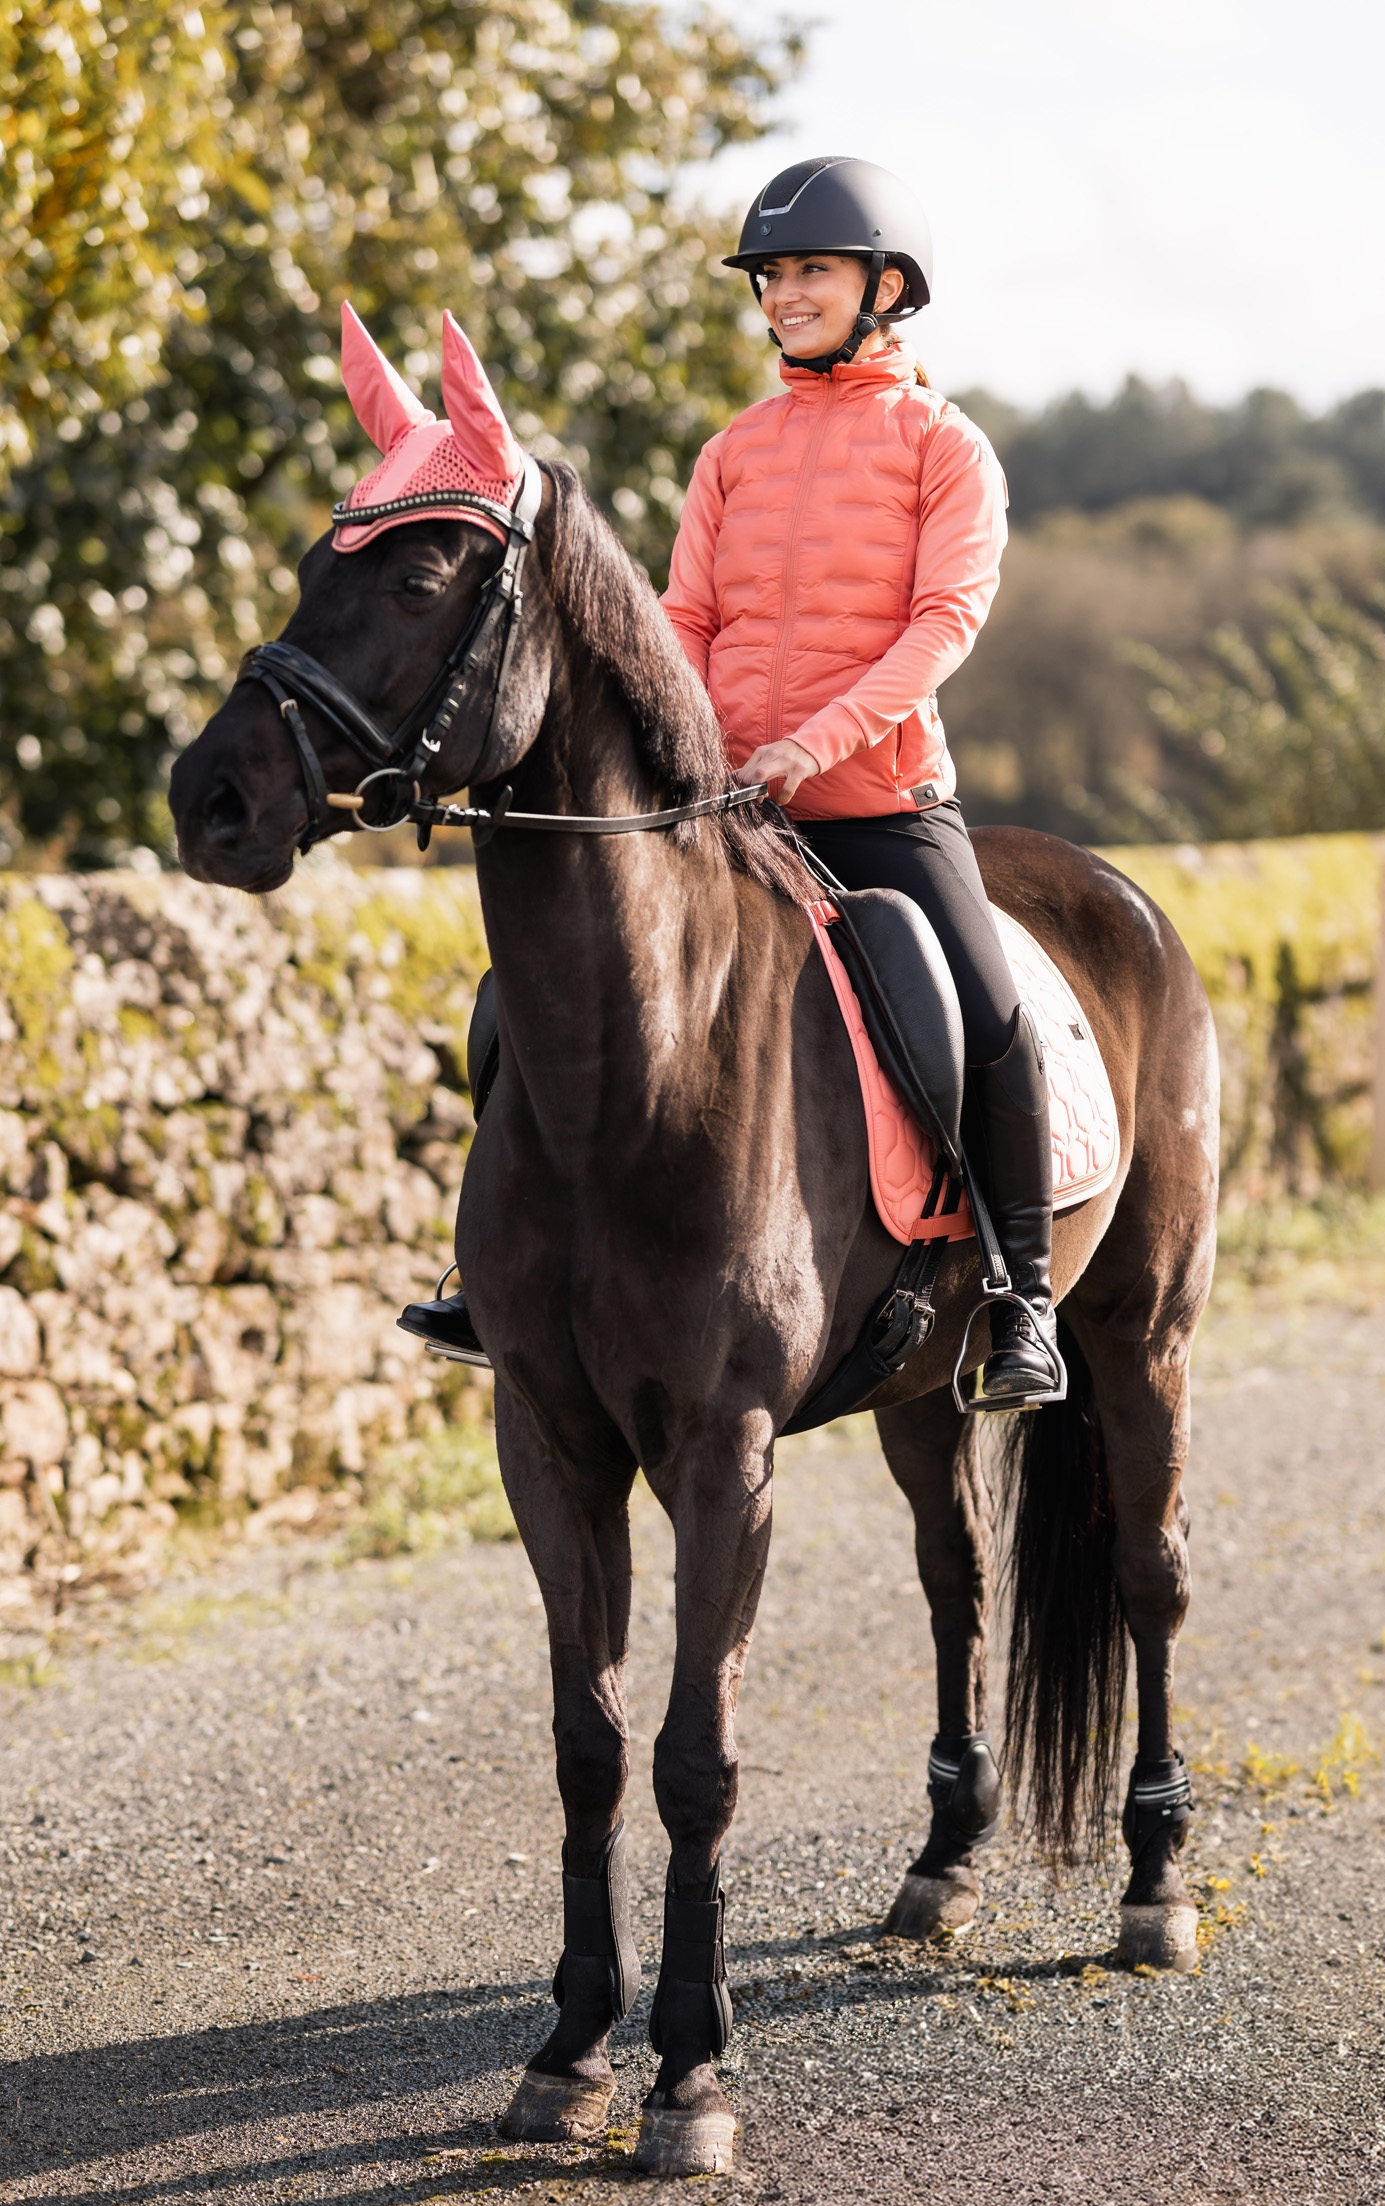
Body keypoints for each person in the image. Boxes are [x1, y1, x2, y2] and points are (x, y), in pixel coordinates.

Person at [402, 155, 1065, 1410]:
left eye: (812, 269)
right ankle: (497, 1270)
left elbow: (942, 624)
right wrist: (685, 749)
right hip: (724, 808)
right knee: (525, 994)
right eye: (772, 275)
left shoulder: (946, 448)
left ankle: (1022, 1297)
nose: (785, 294)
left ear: (886, 285)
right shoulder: (733, 452)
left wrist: (811, 744)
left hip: (876, 805)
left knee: (987, 1014)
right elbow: (684, 618)